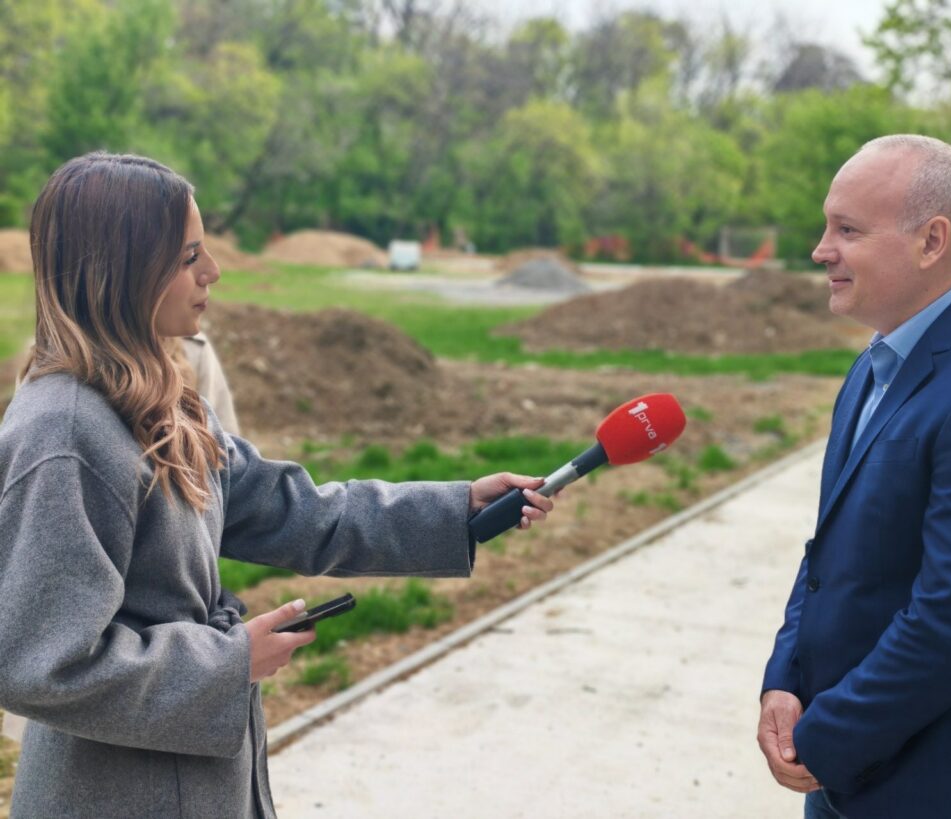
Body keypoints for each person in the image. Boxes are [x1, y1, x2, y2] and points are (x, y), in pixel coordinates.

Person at [0, 152, 555, 818]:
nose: (213, 271)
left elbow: (300, 512)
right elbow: (39, 662)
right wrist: (229, 664)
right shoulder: (64, 432)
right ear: (123, 270)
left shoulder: (164, 401)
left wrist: (456, 507)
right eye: (188, 257)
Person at [757, 134, 951, 818]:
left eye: (847, 230)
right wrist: (785, 679)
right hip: (842, 771)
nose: (821, 250)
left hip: (936, 785)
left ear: (931, 241)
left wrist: (827, 736)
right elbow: (828, 553)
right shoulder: (873, 365)